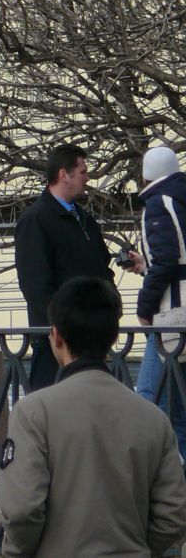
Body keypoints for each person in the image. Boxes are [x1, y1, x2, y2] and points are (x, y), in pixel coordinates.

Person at [0, 275, 186, 558]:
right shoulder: (153, 419)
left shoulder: (33, 412)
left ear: (56, 336)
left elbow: (23, 509)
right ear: (114, 336)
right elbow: (174, 513)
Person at [14, 143, 113, 392]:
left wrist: (110, 307)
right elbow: (35, 283)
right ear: (63, 175)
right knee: (47, 415)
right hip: (55, 342)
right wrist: (61, 323)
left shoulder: (84, 218)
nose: (88, 178)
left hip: (91, 338)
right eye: (83, 171)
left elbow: (102, 265)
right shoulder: (36, 219)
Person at [135, 144, 186, 459]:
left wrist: (145, 307)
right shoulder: (180, 199)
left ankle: (153, 490)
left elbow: (167, 262)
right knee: (178, 411)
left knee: (147, 401)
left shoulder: (158, 203)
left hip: (171, 317)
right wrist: (145, 265)